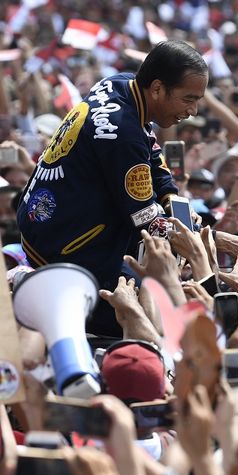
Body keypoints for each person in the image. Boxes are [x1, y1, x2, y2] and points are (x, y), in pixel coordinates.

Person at [16, 40, 208, 336]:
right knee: (151, 324)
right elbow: (147, 221)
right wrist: (203, 241)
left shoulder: (121, 85)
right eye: (188, 99)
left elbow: (152, 151)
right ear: (157, 88)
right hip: (65, 250)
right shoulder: (123, 135)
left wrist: (171, 197)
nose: (193, 110)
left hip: (44, 223)